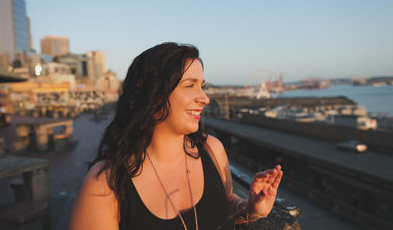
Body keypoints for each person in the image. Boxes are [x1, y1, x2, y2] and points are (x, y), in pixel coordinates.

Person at [70, 42, 283, 230]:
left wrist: (253, 209)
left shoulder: (212, 149)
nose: (205, 98)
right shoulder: (107, 183)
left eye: (202, 86)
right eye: (189, 85)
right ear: (152, 95)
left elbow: (224, 207)